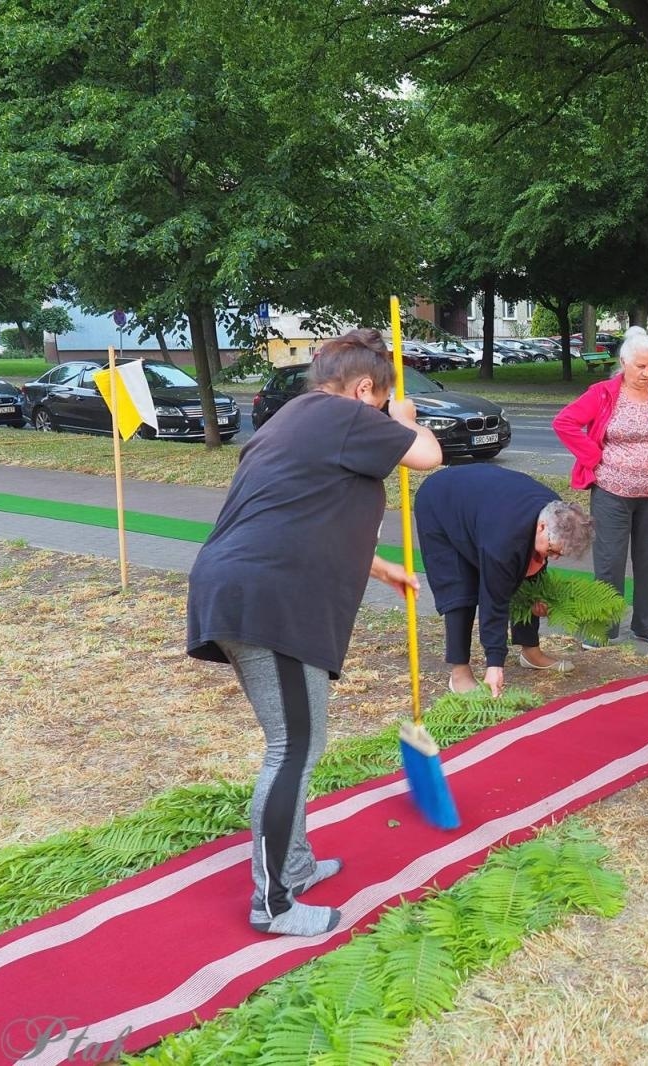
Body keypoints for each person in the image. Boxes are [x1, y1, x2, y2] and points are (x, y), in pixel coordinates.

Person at [186, 328, 443, 936]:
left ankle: (294, 866)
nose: (381, 414)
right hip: (270, 600)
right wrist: (406, 420)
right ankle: (272, 903)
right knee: (293, 746)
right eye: (379, 402)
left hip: (252, 587)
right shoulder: (344, 415)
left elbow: (299, 510)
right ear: (362, 390)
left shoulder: (293, 418)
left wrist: (377, 566)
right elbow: (429, 456)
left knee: (299, 741)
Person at [552, 324, 648, 649]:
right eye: (640, 366)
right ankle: (603, 629)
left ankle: (646, 625)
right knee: (610, 562)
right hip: (612, 493)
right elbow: (565, 422)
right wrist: (595, 456)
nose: (646, 373)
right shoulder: (603, 393)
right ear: (624, 362)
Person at [414, 465, 594, 697]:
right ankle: (459, 672)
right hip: (440, 503)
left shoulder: (557, 512)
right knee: (460, 589)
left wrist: (535, 597)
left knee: (529, 579)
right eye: (552, 550)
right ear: (541, 527)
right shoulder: (504, 540)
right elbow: (494, 600)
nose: (555, 557)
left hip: (484, 502)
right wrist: (495, 664)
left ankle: (531, 652)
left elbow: (532, 566)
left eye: (559, 553)